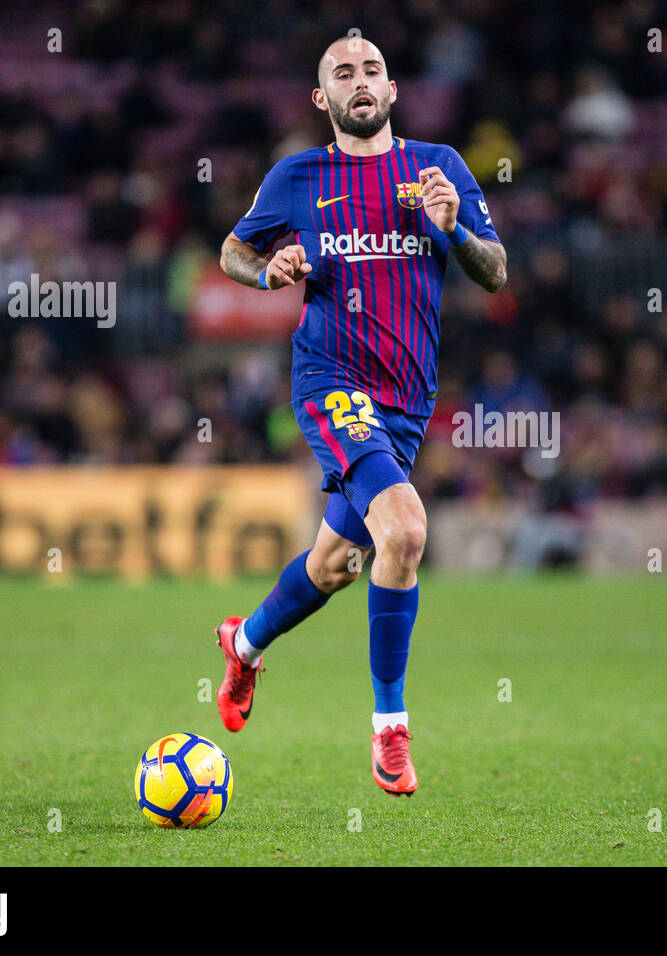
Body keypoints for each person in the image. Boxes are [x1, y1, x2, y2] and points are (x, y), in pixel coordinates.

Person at [212, 36, 507, 796]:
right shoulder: (297, 178)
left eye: (371, 70)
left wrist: (455, 229)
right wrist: (270, 270)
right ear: (323, 100)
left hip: (406, 403)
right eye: (343, 73)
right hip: (331, 382)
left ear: (393, 87)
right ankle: (389, 728)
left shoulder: (438, 167)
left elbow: (495, 271)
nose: (359, 81)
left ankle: (242, 644)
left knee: (337, 565)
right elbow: (232, 255)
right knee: (405, 531)